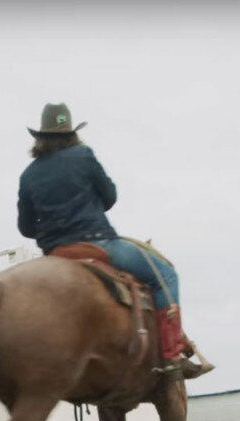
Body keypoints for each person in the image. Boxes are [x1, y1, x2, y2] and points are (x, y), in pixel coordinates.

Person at [17, 102, 213, 377]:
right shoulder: (83, 156)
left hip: (55, 253)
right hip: (99, 243)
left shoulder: (29, 175)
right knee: (166, 276)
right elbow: (110, 197)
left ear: (40, 137)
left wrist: (52, 231)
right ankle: (171, 356)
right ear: (71, 133)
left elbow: (26, 227)